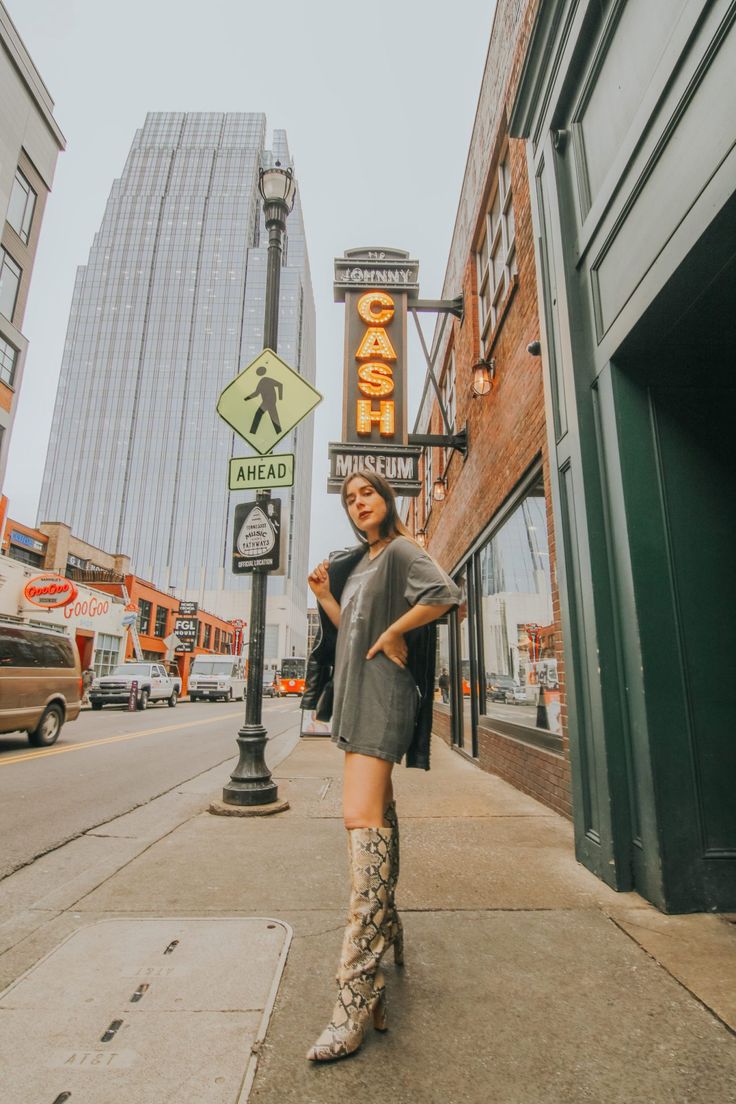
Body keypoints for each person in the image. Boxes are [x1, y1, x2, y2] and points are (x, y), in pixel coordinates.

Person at [303, 470, 460, 1062]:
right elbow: (353, 637)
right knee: (377, 815)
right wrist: (325, 599)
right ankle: (386, 927)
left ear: (387, 499)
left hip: (381, 698)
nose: (357, 502)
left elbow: (444, 593)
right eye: (349, 498)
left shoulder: (400, 550)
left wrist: (398, 630)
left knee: (358, 820)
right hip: (356, 694)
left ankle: (356, 990)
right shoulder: (364, 561)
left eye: (367, 493)